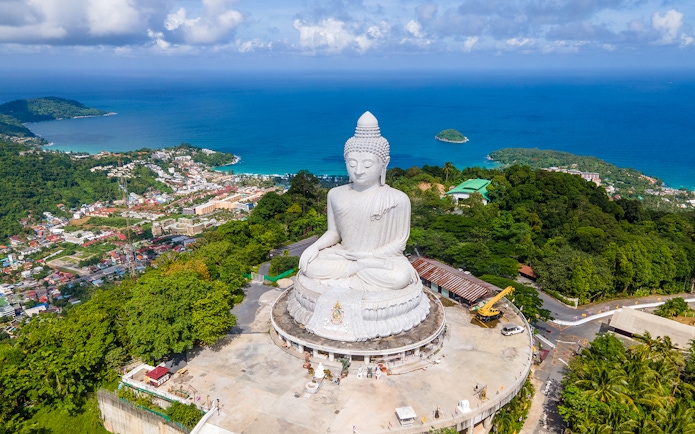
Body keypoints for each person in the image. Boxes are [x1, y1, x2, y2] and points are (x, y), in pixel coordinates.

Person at [299, 111, 417, 292]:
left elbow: (399, 244)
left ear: (384, 163)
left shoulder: (397, 199)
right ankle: (356, 272)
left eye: (368, 165)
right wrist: (314, 247)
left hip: (378, 260)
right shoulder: (335, 194)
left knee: (399, 277)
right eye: (352, 164)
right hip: (346, 256)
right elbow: (334, 233)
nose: (359, 171)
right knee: (311, 266)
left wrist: (367, 256)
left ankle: (350, 277)